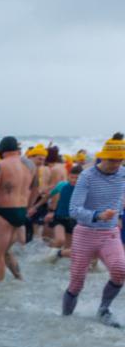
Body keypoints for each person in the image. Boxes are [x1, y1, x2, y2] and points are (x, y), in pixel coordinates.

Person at [63, 134, 125, 326]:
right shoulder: (87, 176)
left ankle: (103, 309)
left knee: (120, 270)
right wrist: (98, 215)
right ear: (102, 157)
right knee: (77, 282)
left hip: (110, 233)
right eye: (111, 160)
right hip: (85, 233)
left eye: (119, 160)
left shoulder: (123, 174)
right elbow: (73, 210)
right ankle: (65, 320)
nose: (115, 164)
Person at [0, 135, 37, 281]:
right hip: (21, 211)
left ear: (2, 150)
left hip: (4, 211)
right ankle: (19, 278)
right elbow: (35, 189)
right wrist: (29, 207)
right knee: (6, 251)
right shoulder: (30, 166)